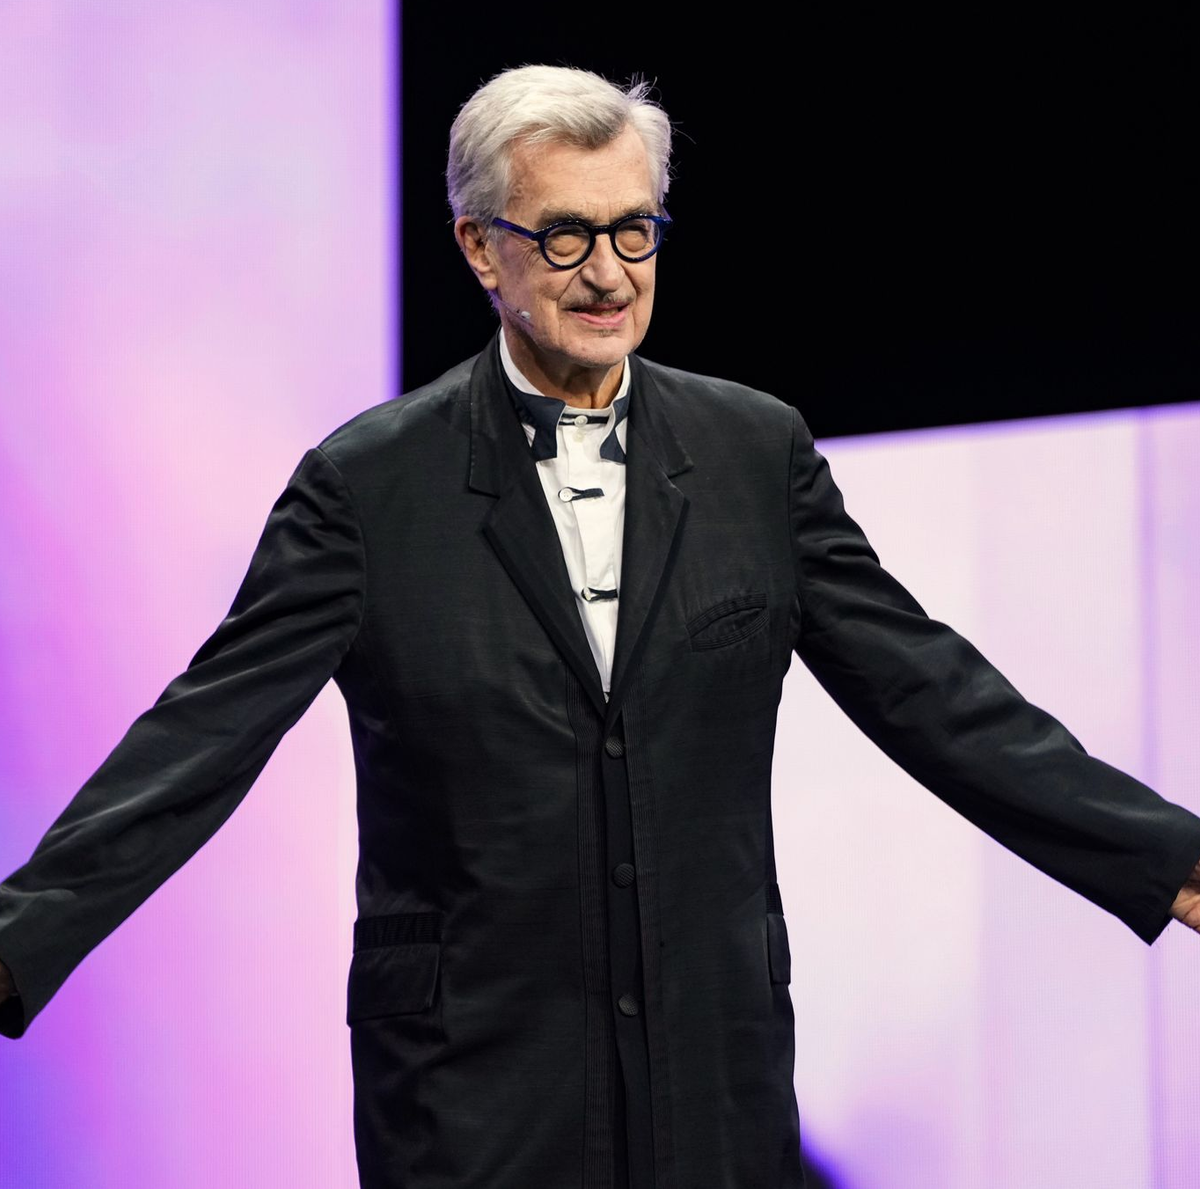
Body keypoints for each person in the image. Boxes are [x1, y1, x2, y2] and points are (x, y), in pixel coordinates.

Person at [2, 63, 1199, 1189]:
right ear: (481, 247)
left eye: (636, 230)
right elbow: (199, 738)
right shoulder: (366, 488)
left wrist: (1167, 856)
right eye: (565, 236)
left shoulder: (752, 451)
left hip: (711, 1068)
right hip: (472, 1084)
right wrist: (19, 940)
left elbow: (931, 692)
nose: (611, 272)